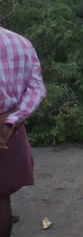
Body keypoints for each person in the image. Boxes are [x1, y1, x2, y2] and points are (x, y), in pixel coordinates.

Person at [1, 25, 46, 237]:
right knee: (1, 199)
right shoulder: (21, 43)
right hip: (7, 131)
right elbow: (37, 88)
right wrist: (12, 120)